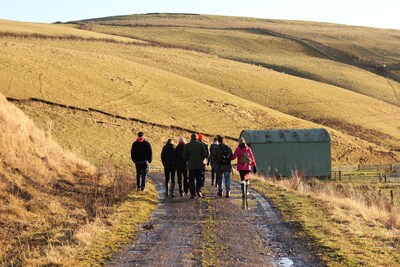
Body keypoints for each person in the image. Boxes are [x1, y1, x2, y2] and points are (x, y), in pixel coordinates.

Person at [183, 133, 208, 199]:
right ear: (197, 138)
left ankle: (192, 194)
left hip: (191, 165)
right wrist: (201, 159)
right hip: (199, 164)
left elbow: (185, 155)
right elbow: (205, 154)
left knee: (191, 179)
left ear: (191, 138)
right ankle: (199, 191)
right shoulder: (201, 145)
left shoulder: (187, 145)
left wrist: (189, 160)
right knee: (199, 178)